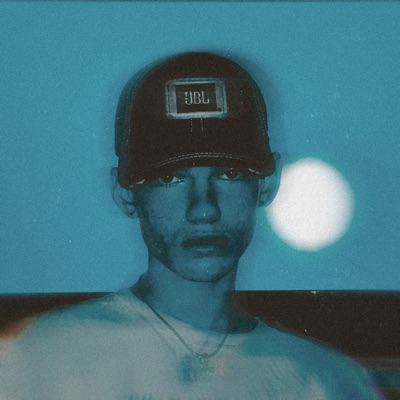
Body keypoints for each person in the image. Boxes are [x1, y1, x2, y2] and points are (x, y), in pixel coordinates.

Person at [0, 52, 383, 399]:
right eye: (171, 178)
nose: (204, 209)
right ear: (126, 192)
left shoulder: (327, 382)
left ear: (267, 184)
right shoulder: (35, 361)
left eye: (230, 174)